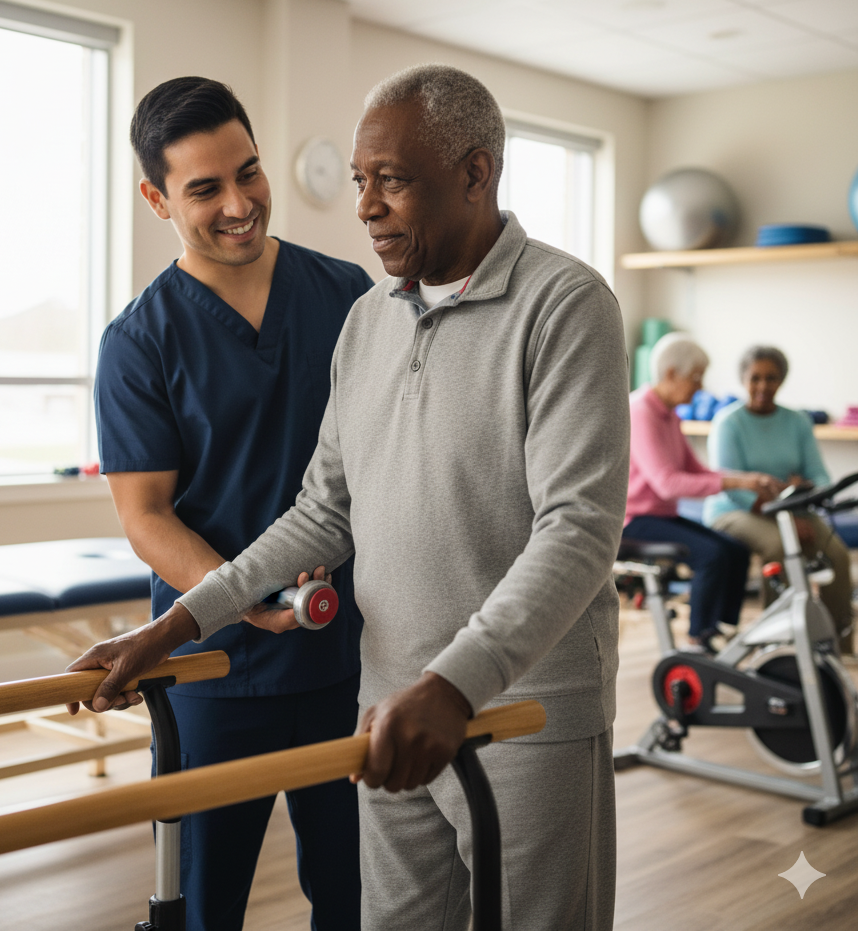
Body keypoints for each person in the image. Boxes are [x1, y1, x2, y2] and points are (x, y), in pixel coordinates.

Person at [70, 63, 631, 931]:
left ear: (475, 174)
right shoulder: (369, 318)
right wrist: (179, 624)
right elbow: (322, 510)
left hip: (516, 703)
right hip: (384, 695)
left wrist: (452, 685)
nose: (365, 206)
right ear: (159, 199)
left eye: (390, 181)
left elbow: (578, 531)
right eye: (362, 180)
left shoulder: (562, 305)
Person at [81, 76, 372, 930]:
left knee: (361, 899)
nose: (240, 205)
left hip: (351, 656)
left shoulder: (349, 295)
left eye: (249, 173)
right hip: (212, 670)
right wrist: (240, 600)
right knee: (205, 907)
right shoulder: (139, 342)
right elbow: (145, 516)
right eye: (206, 188)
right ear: (157, 198)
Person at [624, 332, 781, 651]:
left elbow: (696, 470)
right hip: (634, 520)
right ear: (671, 374)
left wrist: (747, 479)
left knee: (736, 550)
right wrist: (736, 483)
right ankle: (700, 638)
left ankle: (723, 629)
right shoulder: (641, 412)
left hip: (661, 516)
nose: (700, 387)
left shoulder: (669, 414)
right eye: (696, 377)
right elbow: (667, 483)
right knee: (712, 555)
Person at [704, 345, 854, 655]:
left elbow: (820, 476)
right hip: (735, 509)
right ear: (743, 379)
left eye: (771, 378)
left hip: (790, 509)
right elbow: (734, 488)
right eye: (755, 378)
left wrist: (805, 487)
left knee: (837, 556)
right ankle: (776, 646)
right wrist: (787, 517)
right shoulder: (728, 423)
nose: (763, 386)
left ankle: (837, 648)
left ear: (781, 380)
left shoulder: (798, 421)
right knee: (779, 547)